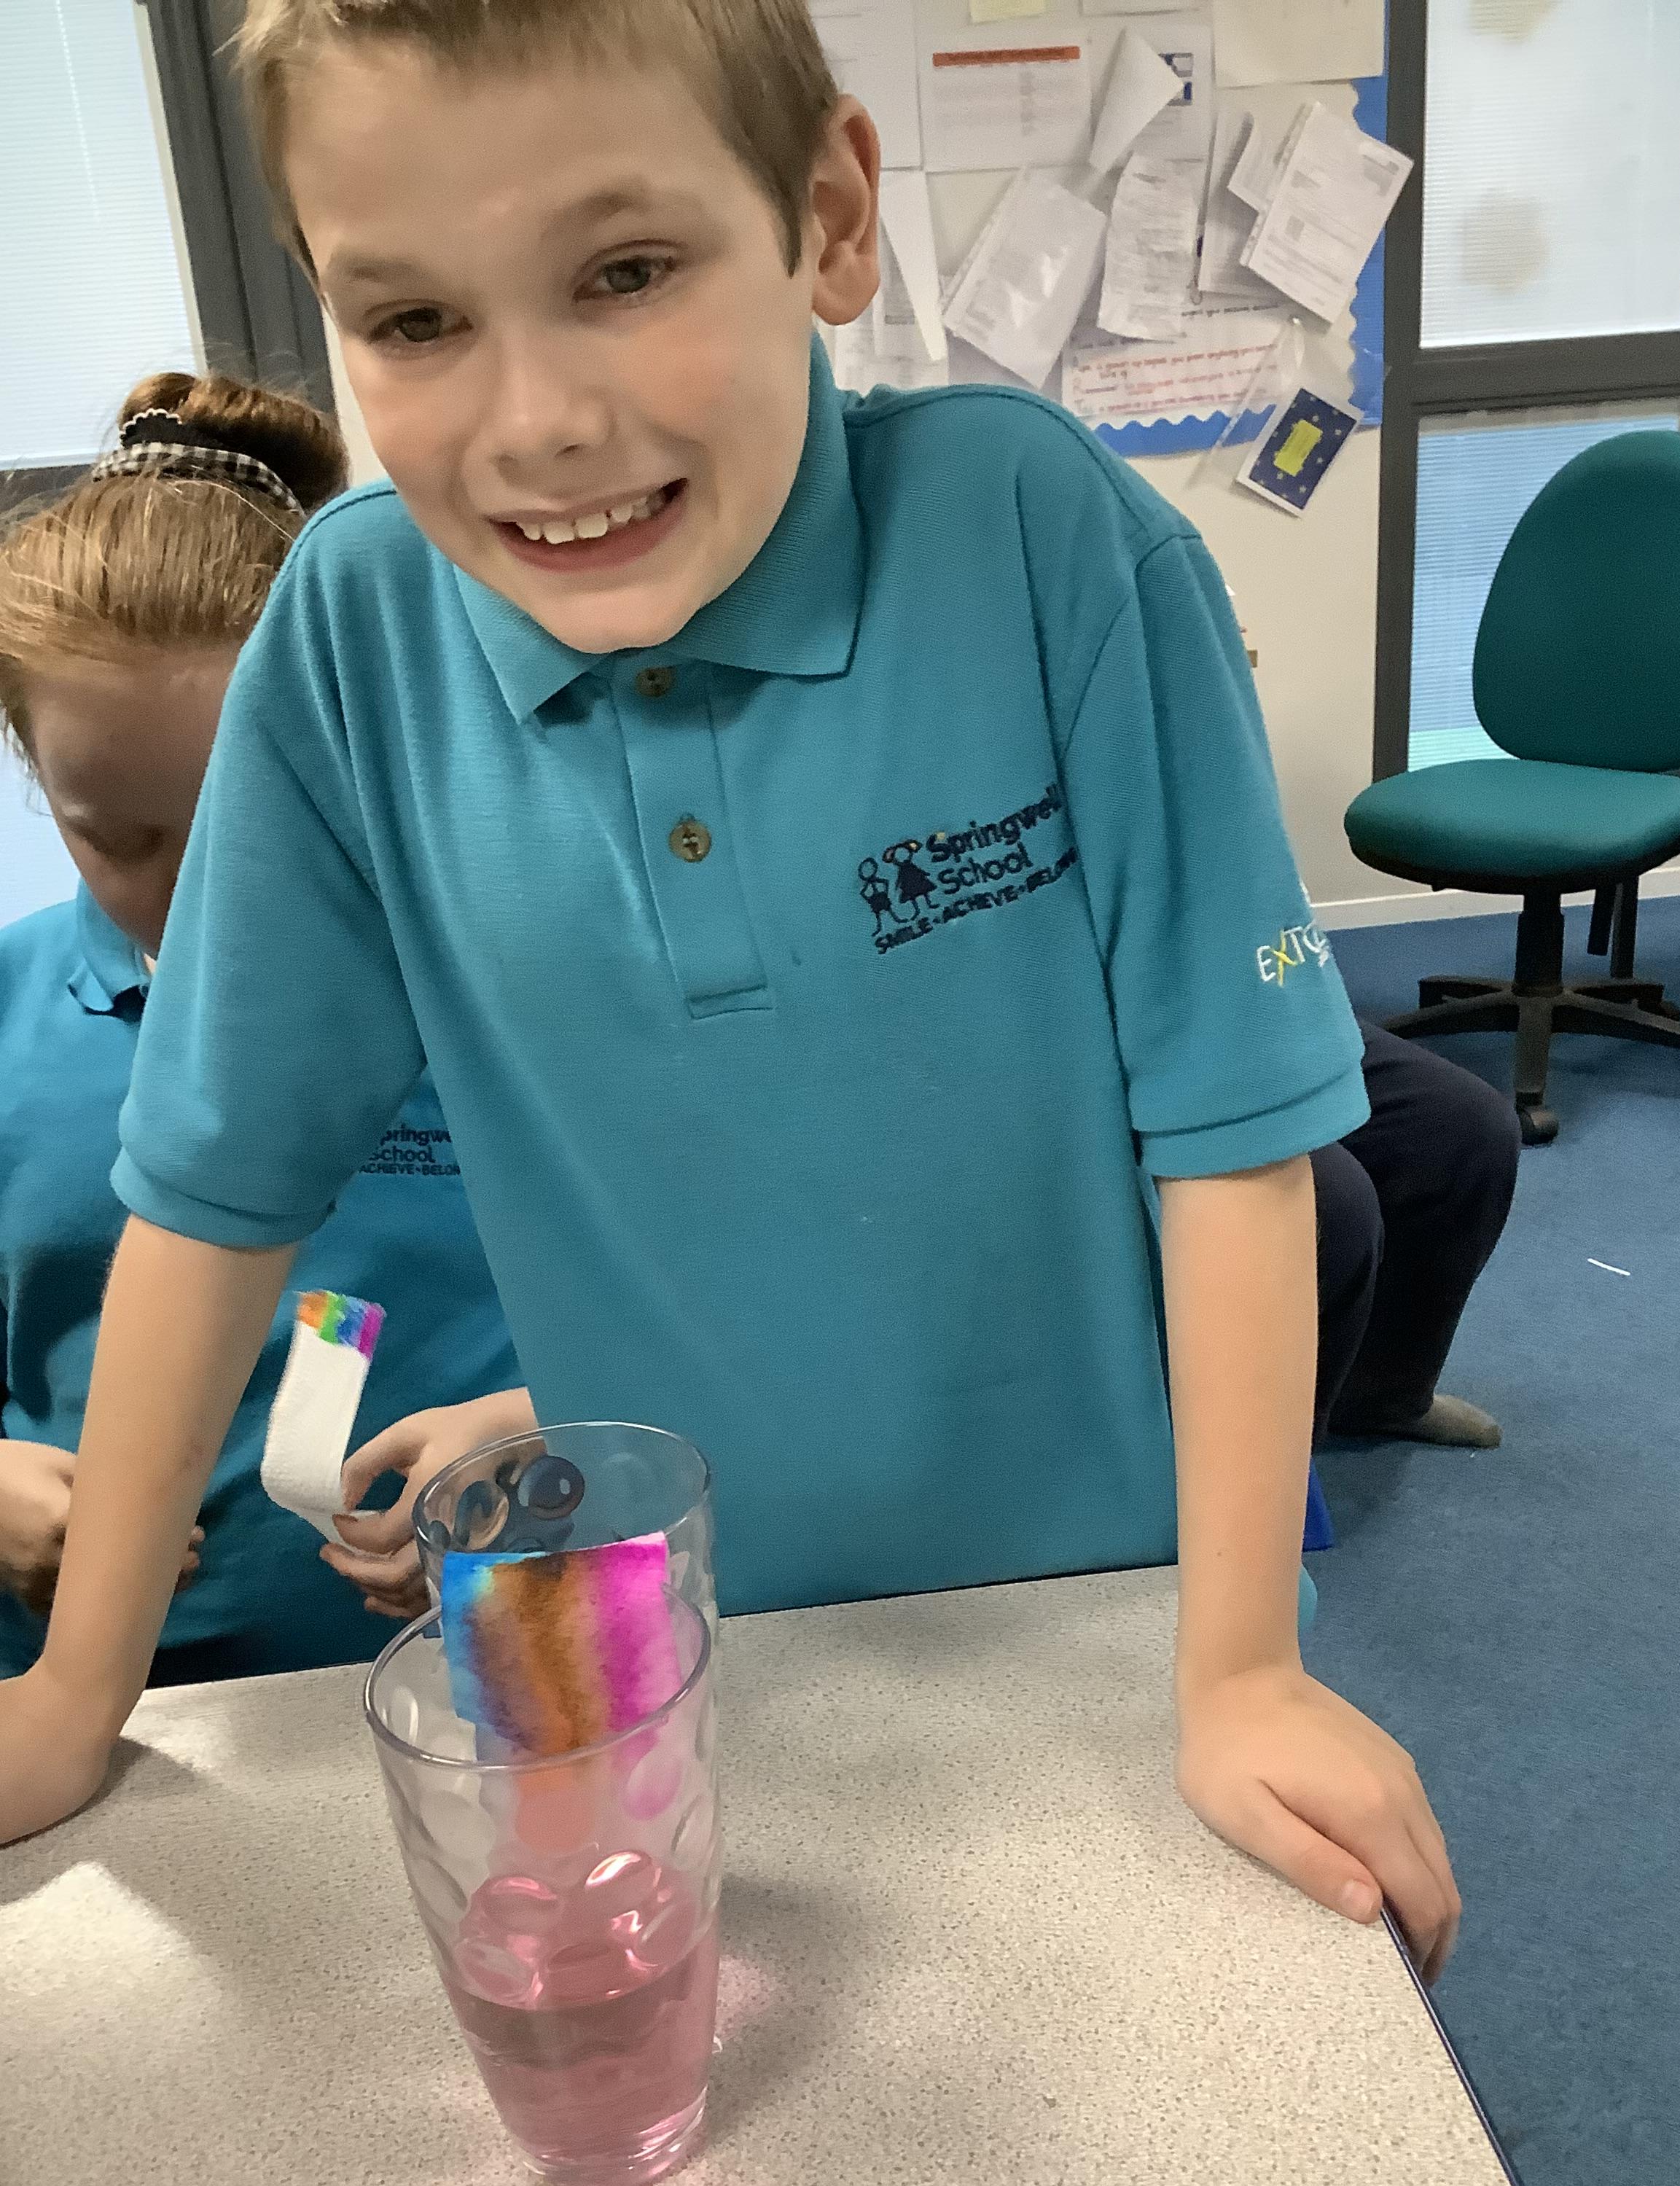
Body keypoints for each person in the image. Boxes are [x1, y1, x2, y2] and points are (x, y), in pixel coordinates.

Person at [0, 0, 1458, 1979]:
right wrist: (76, 1695)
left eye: (625, 272)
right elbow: (215, 1186)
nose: (537, 422)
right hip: (669, 1661)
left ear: (828, 220)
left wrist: (1242, 1666)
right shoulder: (352, 635)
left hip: (1116, 1610)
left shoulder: (1044, 540)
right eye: (414, 320)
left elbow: (1232, 1141)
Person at [0, 369, 523, 1683]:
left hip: (503, 1681)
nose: (203, 897)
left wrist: (540, 1422)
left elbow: (697, 1317)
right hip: (129, 1718)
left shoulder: (511, 1003)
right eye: (119, 836)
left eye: (254, 823)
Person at [1313, 1024, 1522, 1451]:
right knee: (1335, 1207)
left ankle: (1378, 1398)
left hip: (1265, 1014)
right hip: (1168, 1056)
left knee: (1466, 1124)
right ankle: (1273, 1460)